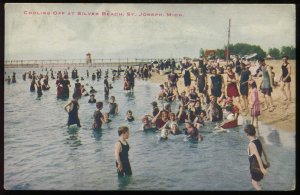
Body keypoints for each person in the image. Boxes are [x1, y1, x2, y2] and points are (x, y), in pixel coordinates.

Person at [244, 124, 270, 190]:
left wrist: (262, 169)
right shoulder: (258, 141)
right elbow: (264, 151)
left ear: (247, 134)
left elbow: (258, 157)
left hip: (256, 168)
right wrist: (267, 161)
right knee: (257, 182)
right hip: (260, 166)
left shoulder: (251, 144)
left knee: (254, 183)